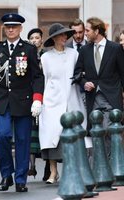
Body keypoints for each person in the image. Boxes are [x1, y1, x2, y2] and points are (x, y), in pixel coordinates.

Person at [0, 13, 44, 192]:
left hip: (24, 101)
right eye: (8, 26)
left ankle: (20, 179)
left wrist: (37, 100)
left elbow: (37, 76)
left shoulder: (29, 49)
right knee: (2, 136)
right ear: (5, 28)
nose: (11, 29)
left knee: (23, 140)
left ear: (20, 28)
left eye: (14, 26)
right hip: (2, 101)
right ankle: (6, 175)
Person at [39, 23, 86, 184]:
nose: (64, 37)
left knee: (73, 136)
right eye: (61, 35)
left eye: (66, 35)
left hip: (72, 99)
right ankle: (53, 172)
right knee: (51, 136)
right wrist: (40, 102)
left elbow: (80, 74)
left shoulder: (74, 54)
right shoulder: (45, 57)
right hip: (52, 101)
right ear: (53, 38)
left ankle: (71, 171)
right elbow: (43, 80)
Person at [73, 17, 124, 156]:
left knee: (108, 130)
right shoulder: (84, 50)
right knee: (96, 132)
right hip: (92, 98)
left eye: (88, 30)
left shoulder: (115, 48)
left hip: (112, 98)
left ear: (97, 31)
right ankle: (100, 168)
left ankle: (109, 165)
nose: (85, 33)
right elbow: (77, 73)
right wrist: (84, 83)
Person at [27, 28, 51, 181]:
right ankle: (32, 166)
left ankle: (49, 166)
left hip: (47, 97)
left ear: (41, 40)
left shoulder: (46, 56)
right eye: (32, 38)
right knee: (31, 133)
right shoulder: (25, 56)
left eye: (37, 37)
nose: (34, 40)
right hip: (31, 98)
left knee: (46, 132)